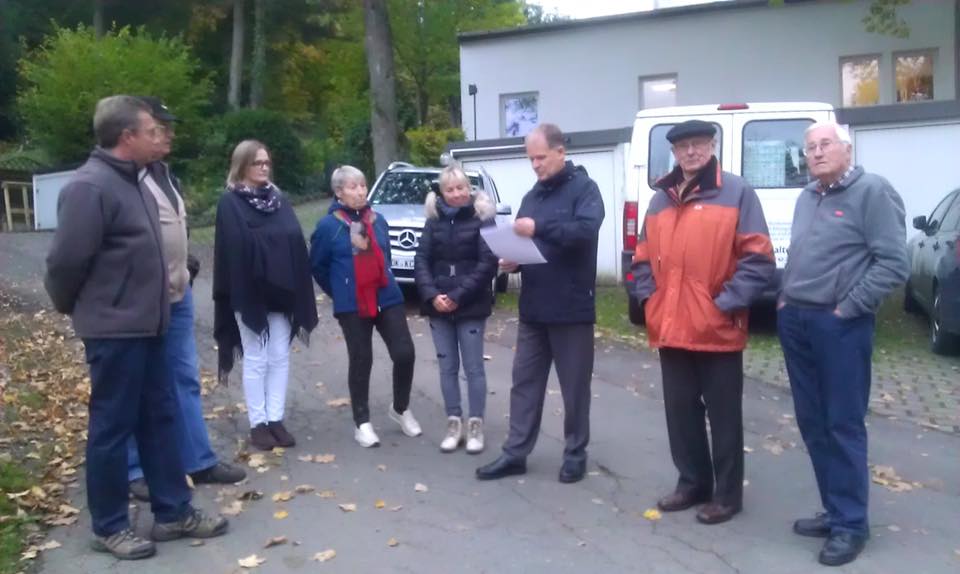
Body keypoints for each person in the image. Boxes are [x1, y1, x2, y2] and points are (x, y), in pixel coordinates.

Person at [45, 95, 227, 560]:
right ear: (126, 137)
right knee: (112, 426)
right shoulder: (90, 187)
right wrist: (82, 310)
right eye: (151, 130)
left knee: (160, 420)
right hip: (115, 331)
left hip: (152, 326)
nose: (159, 136)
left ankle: (173, 512)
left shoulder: (137, 181)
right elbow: (65, 264)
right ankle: (109, 525)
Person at [630, 119, 775, 525]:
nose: (691, 152)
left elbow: (758, 259)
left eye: (699, 144)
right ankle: (692, 482)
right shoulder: (660, 199)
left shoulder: (736, 192)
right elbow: (642, 259)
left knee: (724, 416)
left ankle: (727, 496)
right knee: (680, 412)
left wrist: (725, 304)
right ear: (673, 153)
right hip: (672, 325)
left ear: (712, 146)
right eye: (683, 147)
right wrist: (650, 299)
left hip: (717, 328)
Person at [777, 121, 908, 566]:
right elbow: (799, 255)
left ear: (847, 149)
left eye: (825, 144)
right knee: (813, 424)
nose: (815, 153)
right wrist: (782, 300)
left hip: (840, 326)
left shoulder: (872, 191)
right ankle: (835, 512)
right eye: (810, 147)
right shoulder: (807, 196)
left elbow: (893, 263)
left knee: (843, 424)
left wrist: (848, 308)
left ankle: (852, 525)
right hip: (796, 321)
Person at [125, 96, 245, 503]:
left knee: (185, 379)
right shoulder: (124, 177)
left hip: (178, 294)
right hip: (141, 301)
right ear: (138, 131)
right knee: (135, 385)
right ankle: (135, 470)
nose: (169, 134)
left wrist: (186, 260)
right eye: (160, 127)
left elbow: (172, 226)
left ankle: (198, 459)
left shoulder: (165, 174)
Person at [475, 123, 604, 484]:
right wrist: (513, 259)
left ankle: (575, 453)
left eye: (541, 157)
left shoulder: (585, 190)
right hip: (534, 308)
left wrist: (539, 229)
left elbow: (584, 232)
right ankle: (516, 452)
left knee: (574, 387)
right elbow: (529, 240)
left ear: (560, 152)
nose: (535, 165)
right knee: (524, 383)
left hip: (572, 308)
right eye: (531, 158)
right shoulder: (533, 196)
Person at [213, 140, 318, 451]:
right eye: (257, 162)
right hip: (250, 292)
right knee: (256, 358)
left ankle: (276, 418)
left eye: (266, 162)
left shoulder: (278, 199)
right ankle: (258, 423)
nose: (263, 167)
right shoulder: (230, 203)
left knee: (280, 357)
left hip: (282, 291)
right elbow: (235, 247)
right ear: (242, 165)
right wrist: (272, 251)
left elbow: (294, 238)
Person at [309, 165, 422, 448]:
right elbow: (318, 266)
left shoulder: (378, 220)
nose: (360, 191)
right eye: (352, 186)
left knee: (405, 353)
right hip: (352, 303)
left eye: (362, 185)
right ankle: (363, 423)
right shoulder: (328, 226)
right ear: (338, 192)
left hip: (386, 295)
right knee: (362, 359)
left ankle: (400, 408)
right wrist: (340, 292)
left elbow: (387, 255)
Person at [414, 164, 498, 453]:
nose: (456, 194)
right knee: (447, 367)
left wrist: (458, 295)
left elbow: (488, 263)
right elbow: (421, 260)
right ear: (442, 192)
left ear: (468, 188)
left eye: (461, 187)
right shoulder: (433, 220)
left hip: (470, 303)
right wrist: (431, 294)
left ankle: (476, 424)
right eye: (450, 189)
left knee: (473, 367)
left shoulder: (482, 218)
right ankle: (454, 421)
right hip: (438, 304)